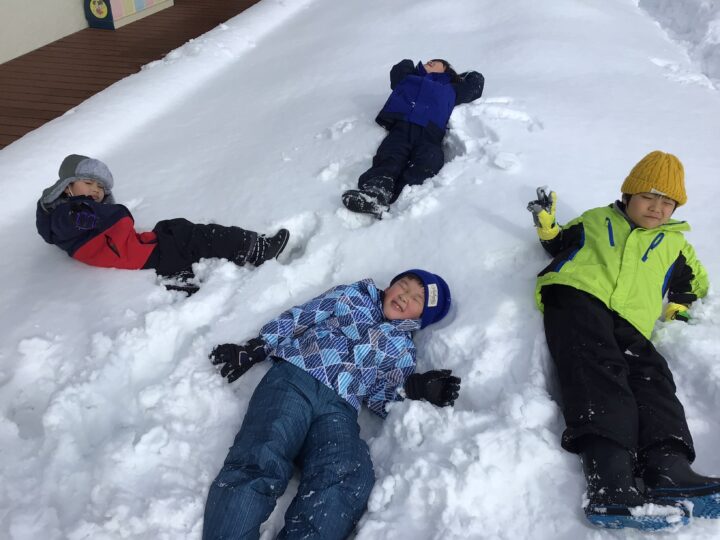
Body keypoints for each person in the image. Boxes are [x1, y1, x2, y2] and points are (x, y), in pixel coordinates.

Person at [528, 151, 720, 530]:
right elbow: (561, 241)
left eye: (668, 203)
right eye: (648, 197)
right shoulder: (598, 219)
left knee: (653, 379)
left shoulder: (675, 244)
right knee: (600, 371)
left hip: (631, 320)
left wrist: (678, 307)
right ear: (628, 194)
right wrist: (547, 225)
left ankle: (668, 469)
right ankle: (610, 482)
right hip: (579, 297)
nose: (657, 208)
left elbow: (694, 282)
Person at [203, 269, 461, 539]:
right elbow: (303, 316)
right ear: (390, 286)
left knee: (348, 473)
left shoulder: (403, 351)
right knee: (263, 450)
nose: (405, 296)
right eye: (403, 286)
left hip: (339, 410)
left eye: (417, 298)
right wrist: (258, 346)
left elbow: (378, 398)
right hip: (296, 377)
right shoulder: (353, 296)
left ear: (420, 318)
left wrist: (413, 389)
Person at [36, 154, 289, 283]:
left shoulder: (76, 211)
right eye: (88, 182)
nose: (95, 190)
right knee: (196, 236)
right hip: (140, 253)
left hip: (137, 248)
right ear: (67, 187)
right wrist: (81, 217)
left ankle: (181, 274)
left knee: (175, 228)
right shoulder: (70, 212)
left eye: (100, 187)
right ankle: (257, 249)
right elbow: (66, 222)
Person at [342, 58, 484, 218]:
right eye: (429, 61)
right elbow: (399, 69)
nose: (430, 61)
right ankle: (376, 193)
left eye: (436, 61)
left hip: (431, 132)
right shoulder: (409, 78)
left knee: (430, 158)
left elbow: (476, 84)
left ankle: (402, 196)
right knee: (391, 155)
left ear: (447, 68)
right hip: (402, 126)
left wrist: (458, 76)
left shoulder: (453, 88)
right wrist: (415, 69)